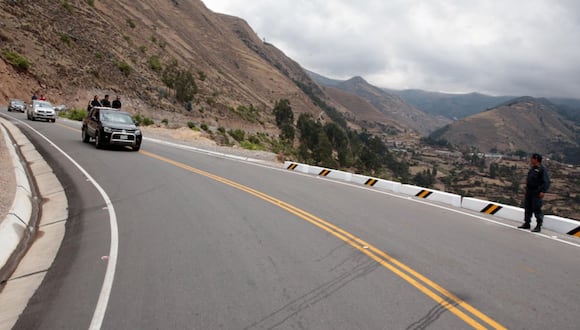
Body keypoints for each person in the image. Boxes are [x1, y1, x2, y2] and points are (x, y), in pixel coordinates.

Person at [518, 153, 550, 232]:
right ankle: (527, 223)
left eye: (532, 158)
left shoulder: (542, 169)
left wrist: (543, 191)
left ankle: (538, 225)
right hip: (529, 191)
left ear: (536, 159)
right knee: (528, 207)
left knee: (536, 208)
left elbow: (546, 182)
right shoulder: (533, 169)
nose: (531, 160)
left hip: (536, 192)